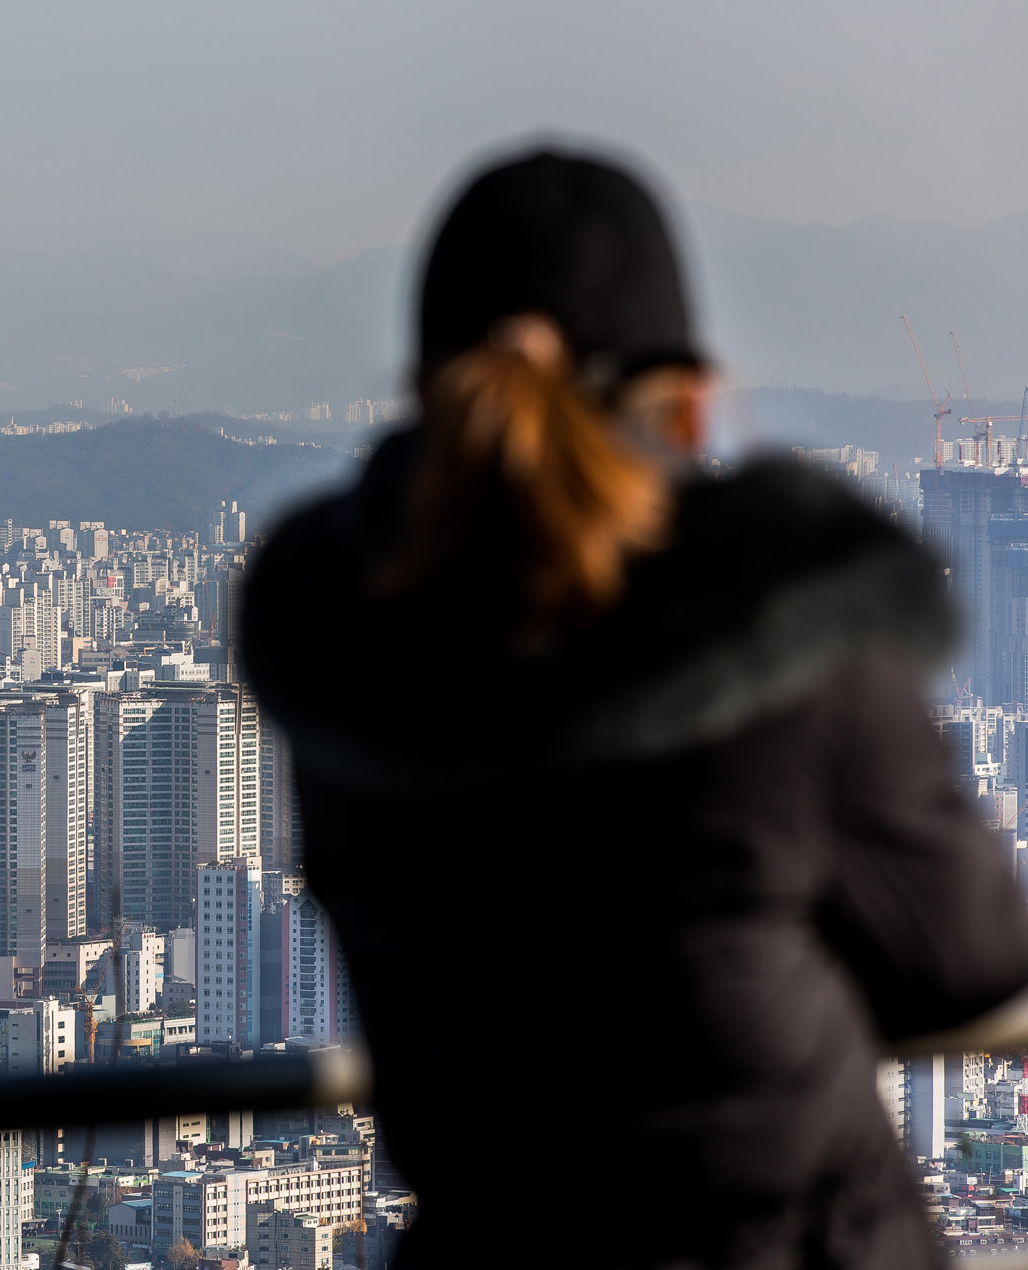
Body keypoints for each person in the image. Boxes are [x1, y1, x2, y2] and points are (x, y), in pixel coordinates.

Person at [241, 148, 1028, 1268]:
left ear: (425, 394)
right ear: (690, 404)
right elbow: (968, 953)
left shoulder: (347, 653)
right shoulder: (787, 633)